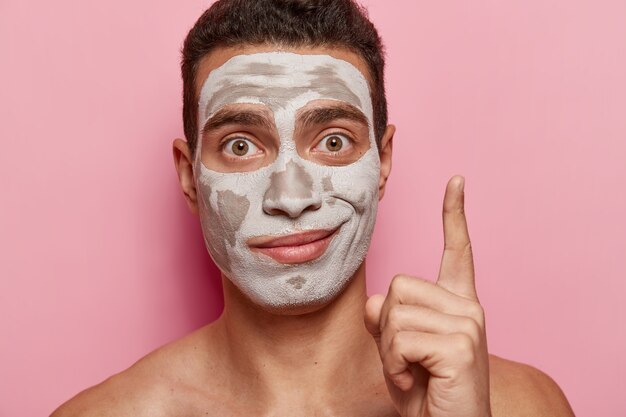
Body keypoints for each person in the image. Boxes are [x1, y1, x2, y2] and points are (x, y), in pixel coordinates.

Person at [52, 0, 575, 416]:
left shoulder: (519, 407)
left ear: (383, 159)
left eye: (332, 142)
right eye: (240, 145)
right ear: (190, 176)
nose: (292, 198)